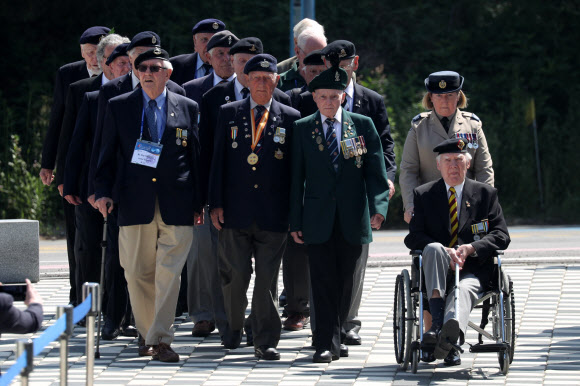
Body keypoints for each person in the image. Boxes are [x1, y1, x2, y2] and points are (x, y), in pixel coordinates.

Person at [94, 48, 203, 362]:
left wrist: (200, 201)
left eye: (155, 67)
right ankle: (147, 332)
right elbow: (105, 154)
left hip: (178, 201)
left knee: (169, 273)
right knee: (137, 272)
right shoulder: (119, 106)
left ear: (168, 73)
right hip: (133, 200)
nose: (147, 72)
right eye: (142, 67)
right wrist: (102, 191)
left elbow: (195, 157)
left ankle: (161, 340)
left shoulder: (188, 106)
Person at [289, 66, 389, 363]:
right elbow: (296, 179)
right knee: (321, 281)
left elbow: (376, 172)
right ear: (315, 98)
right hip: (317, 218)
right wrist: (296, 220)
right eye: (323, 97)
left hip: (352, 216)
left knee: (347, 282)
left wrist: (379, 208)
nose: (329, 102)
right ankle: (324, 343)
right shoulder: (303, 128)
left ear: (343, 97)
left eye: (335, 96)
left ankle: (338, 332)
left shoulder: (362, 125)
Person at [209, 54, 301, 360]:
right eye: (256, 77)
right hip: (234, 211)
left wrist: (294, 212)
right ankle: (233, 329)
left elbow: (295, 171)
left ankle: (265, 340)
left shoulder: (290, 116)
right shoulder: (229, 113)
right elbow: (217, 162)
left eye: (267, 77)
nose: (262, 82)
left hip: (273, 214)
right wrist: (215, 203)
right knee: (235, 277)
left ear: (277, 80)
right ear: (246, 80)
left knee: (267, 282)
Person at [404, 137, 510, 366]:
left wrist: (471, 248)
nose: (453, 166)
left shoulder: (485, 194)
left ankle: (443, 336)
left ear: (468, 164)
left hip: (472, 269)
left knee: (462, 289)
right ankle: (445, 333)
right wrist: (445, 251)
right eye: (448, 161)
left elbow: (502, 236)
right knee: (432, 248)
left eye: (458, 160)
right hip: (435, 268)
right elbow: (413, 237)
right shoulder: (424, 194)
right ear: (439, 165)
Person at [39, 26, 110, 307]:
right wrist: (49, 163)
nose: (92, 59)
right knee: (76, 235)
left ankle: (109, 297)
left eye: (96, 53)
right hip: (76, 168)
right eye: (87, 54)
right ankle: (76, 292)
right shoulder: (69, 74)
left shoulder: (123, 72)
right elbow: (59, 121)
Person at [400, 71, 494, 224]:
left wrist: (485, 203)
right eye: (439, 95)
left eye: (450, 95)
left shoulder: (473, 125)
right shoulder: (419, 127)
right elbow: (409, 170)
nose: (444, 101)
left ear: (458, 96)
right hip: (429, 205)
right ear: (430, 97)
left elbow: (484, 169)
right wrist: (411, 205)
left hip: (468, 205)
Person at [183, 30, 239, 105]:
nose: (226, 58)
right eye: (220, 53)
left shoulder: (249, 87)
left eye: (231, 53)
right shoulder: (190, 89)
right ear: (209, 58)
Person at [170, 18, 226, 85]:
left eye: (215, 40)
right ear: (195, 41)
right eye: (204, 39)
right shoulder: (174, 66)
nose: (209, 45)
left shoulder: (232, 67)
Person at [277, 27, 326, 92]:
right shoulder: (280, 83)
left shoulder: (334, 80)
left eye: (321, 56)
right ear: (297, 51)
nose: (317, 61)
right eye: (311, 56)